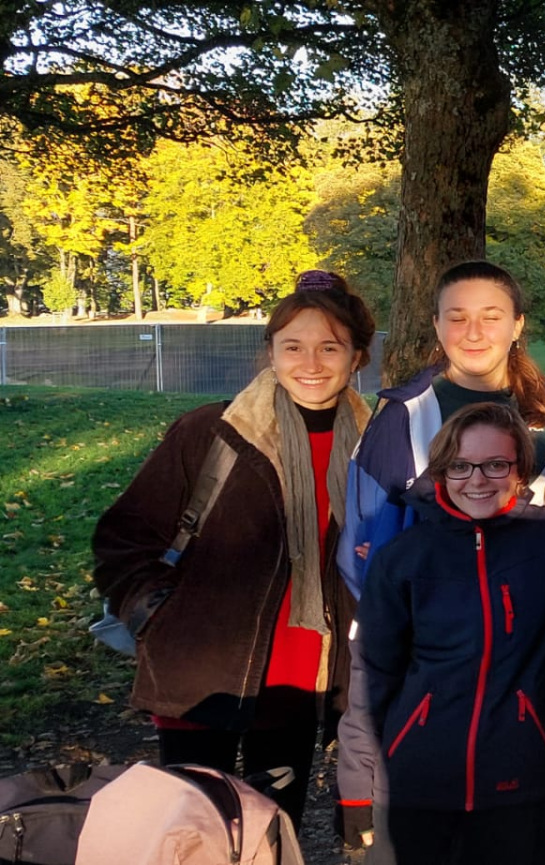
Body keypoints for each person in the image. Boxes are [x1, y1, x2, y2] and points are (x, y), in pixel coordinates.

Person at [92, 270, 377, 825]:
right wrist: (153, 614)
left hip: (302, 679)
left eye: (329, 347)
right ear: (270, 352)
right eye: (292, 346)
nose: (311, 363)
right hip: (203, 673)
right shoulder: (212, 433)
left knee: (274, 830)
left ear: (357, 357)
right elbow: (124, 536)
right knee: (194, 832)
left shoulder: (374, 447)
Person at [334, 260, 545, 849]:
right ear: (435, 324)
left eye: (490, 316)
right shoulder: (403, 416)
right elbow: (365, 552)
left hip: (526, 688)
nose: (474, 332)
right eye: (457, 317)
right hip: (433, 675)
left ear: (518, 324)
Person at [356, 403, 545, 864]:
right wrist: (358, 781)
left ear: (520, 469)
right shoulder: (404, 557)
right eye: (460, 466)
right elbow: (373, 671)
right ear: (441, 471)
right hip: (421, 775)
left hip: (519, 773)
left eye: (496, 465)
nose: (477, 480)